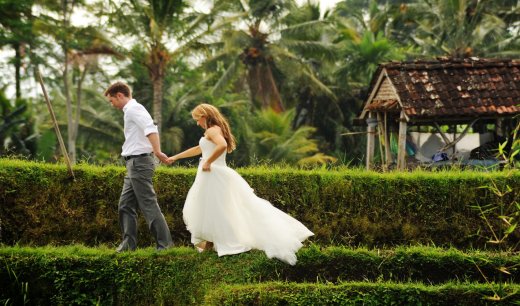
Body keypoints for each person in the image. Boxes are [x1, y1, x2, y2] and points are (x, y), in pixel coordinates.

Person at [168, 103, 313, 265]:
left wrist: (208, 162)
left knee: (217, 207)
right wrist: (175, 157)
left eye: (197, 119)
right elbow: (198, 149)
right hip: (211, 174)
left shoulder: (212, 130)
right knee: (212, 208)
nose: (197, 123)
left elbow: (222, 145)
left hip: (214, 173)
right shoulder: (212, 131)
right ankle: (210, 242)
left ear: (204, 116)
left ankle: (216, 242)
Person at [104, 81, 173, 252]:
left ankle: (165, 245)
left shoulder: (134, 109)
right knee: (125, 205)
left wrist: (157, 152)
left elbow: (151, 129)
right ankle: (128, 245)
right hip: (133, 163)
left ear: (119, 95)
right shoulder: (130, 111)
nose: (112, 105)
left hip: (140, 163)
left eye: (111, 101)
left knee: (148, 204)